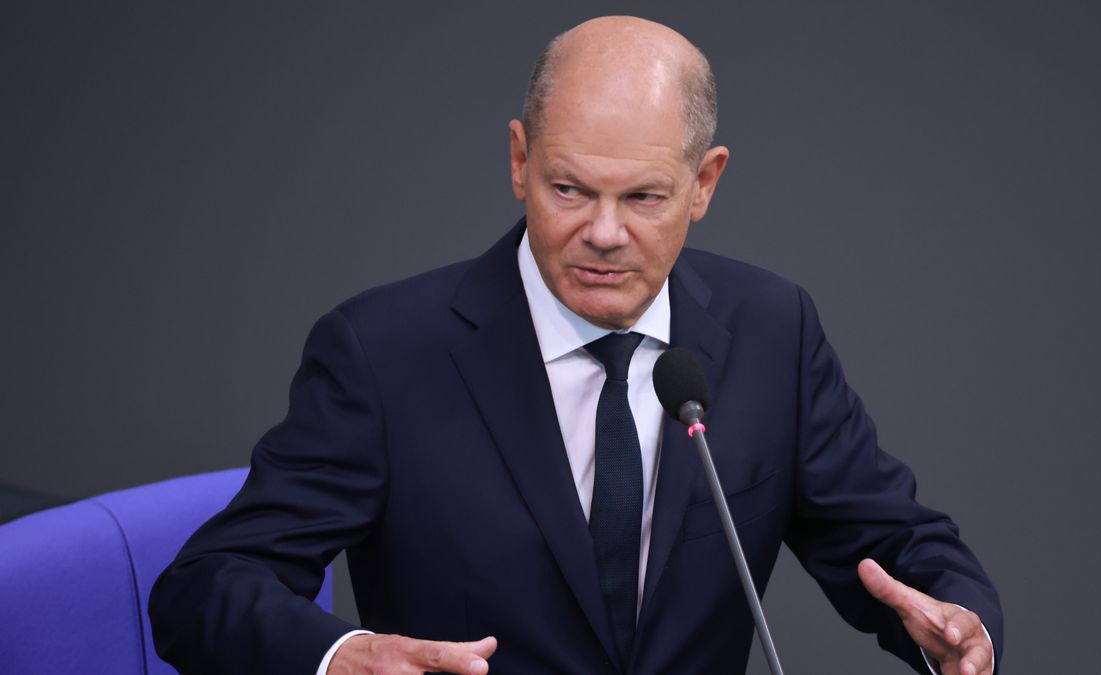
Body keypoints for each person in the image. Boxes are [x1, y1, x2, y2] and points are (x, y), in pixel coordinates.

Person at [150, 16, 1002, 675]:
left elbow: (901, 551)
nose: (603, 233)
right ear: (519, 161)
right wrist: (340, 656)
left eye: (642, 196)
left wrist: (956, 628)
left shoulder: (772, 330)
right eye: (568, 188)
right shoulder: (383, 352)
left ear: (704, 184)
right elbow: (203, 588)